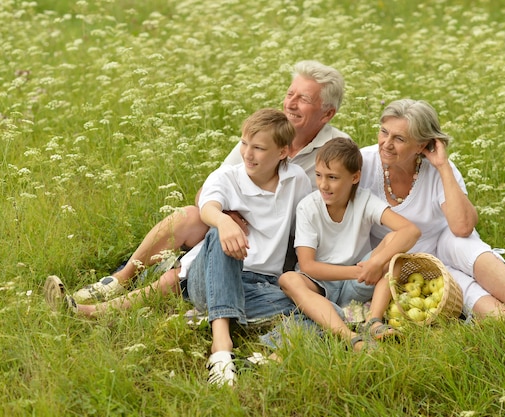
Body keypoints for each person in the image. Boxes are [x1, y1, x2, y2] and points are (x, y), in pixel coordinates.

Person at [44, 108, 313, 386]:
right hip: (209, 275)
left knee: (321, 309)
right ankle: (221, 350)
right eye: (244, 143)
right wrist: (223, 221)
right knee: (218, 240)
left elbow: (306, 228)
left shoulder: (297, 181)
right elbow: (207, 207)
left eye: (258, 148)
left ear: (282, 152)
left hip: (259, 284)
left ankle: (231, 319)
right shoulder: (227, 177)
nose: (247, 153)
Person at [71, 60, 349, 304]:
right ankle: (121, 278)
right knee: (191, 215)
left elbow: (332, 216)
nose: (290, 103)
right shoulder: (263, 136)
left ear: (326, 114)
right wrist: (226, 217)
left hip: (280, 250)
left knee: (188, 270)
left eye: (303, 99)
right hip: (234, 233)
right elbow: (211, 189)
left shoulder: (337, 150)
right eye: (290, 94)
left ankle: (172, 281)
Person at [359, 99, 505, 356]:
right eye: (384, 132)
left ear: (422, 144)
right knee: (461, 285)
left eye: (399, 138)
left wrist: (442, 166)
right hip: (403, 260)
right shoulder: (364, 163)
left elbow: (462, 226)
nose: (386, 143)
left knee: (463, 244)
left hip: (444, 242)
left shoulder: (438, 168)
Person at [278, 138, 421, 351]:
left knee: (395, 247)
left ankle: (373, 320)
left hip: (361, 280)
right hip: (320, 284)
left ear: (355, 177)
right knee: (288, 279)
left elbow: (411, 231)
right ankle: (351, 337)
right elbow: (308, 266)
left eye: (333, 177)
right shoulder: (308, 207)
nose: (323, 185)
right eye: (319, 175)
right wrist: (356, 272)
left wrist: (377, 262)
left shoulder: (364, 200)